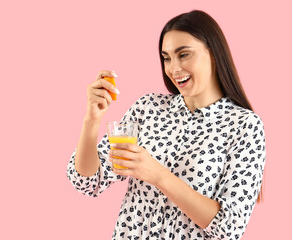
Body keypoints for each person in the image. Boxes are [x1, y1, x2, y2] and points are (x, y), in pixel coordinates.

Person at [67, 10, 266, 240]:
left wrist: (157, 174)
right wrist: (92, 120)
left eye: (184, 55)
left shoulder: (245, 126)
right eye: (166, 58)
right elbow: (88, 182)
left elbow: (228, 228)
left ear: (212, 53)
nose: (173, 68)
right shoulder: (148, 108)